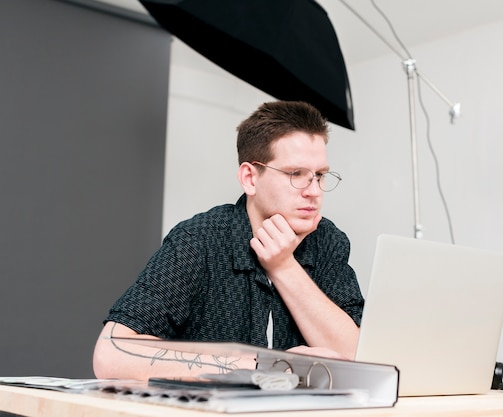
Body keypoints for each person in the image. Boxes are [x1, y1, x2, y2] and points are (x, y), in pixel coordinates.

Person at [93, 101, 364, 380]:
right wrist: (263, 366)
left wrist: (283, 266)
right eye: (296, 174)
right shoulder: (199, 239)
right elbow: (110, 354)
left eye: (319, 175)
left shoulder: (328, 241)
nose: (314, 191)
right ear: (249, 178)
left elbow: (360, 358)